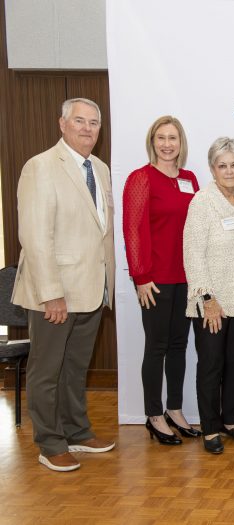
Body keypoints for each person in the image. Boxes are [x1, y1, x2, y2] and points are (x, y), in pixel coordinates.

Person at [13, 98, 116, 472]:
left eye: (93, 123)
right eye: (79, 121)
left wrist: (108, 282)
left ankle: (76, 430)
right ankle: (50, 441)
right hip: (55, 293)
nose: (87, 128)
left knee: (75, 368)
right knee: (47, 370)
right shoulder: (40, 167)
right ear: (62, 123)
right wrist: (50, 293)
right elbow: (36, 236)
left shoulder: (100, 169)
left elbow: (100, 232)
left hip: (91, 288)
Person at [183, 137, 234, 454]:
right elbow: (193, 254)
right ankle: (210, 429)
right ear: (212, 169)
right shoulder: (202, 202)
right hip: (213, 302)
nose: (229, 171)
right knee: (211, 365)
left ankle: (230, 422)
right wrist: (207, 299)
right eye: (222, 165)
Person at [122, 116, 201, 446]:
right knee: (156, 346)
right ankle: (154, 415)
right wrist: (141, 276)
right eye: (161, 138)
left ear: (181, 143)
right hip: (155, 279)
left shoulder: (189, 178)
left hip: (187, 278)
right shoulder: (141, 178)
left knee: (180, 346)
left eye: (173, 138)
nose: (167, 144)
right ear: (152, 142)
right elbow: (133, 229)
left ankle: (175, 409)